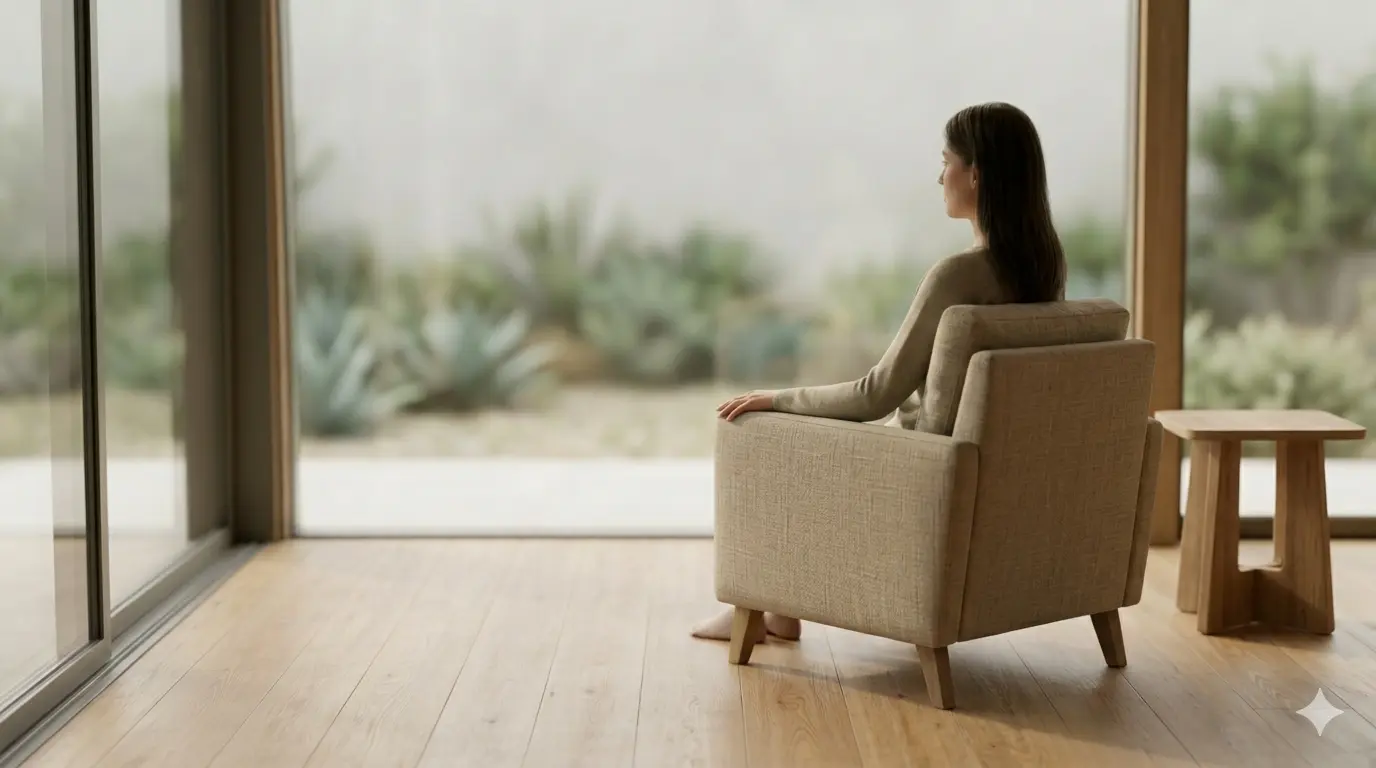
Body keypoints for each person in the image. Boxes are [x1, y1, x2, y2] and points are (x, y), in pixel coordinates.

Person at [691, 101, 1069, 643]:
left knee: (755, 428)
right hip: (986, 469)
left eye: (946, 162)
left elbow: (876, 395)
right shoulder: (1044, 269)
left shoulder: (959, 276)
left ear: (976, 173)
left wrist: (777, 398)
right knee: (801, 438)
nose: (940, 176)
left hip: (920, 468)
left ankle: (756, 605)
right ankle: (779, 606)